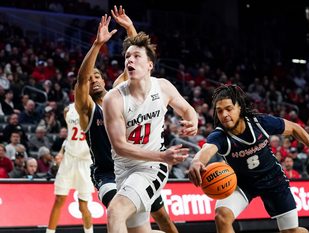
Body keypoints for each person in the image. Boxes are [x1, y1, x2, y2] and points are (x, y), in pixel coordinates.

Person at [75, 6, 181, 233]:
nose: (93, 80)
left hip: (138, 168)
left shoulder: (120, 95)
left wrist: (130, 28)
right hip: (108, 175)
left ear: (105, 81)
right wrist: (97, 45)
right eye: (90, 78)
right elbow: (81, 80)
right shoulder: (88, 109)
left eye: (97, 76)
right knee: (118, 210)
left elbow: (138, 65)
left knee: (164, 220)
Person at [188, 84, 309, 233]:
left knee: (292, 231)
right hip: (242, 182)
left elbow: (296, 128)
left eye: (229, 109)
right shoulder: (219, 136)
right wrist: (196, 161)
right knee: (222, 217)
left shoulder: (260, 122)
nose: (224, 114)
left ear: (239, 108)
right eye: (219, 111)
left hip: (273, 180)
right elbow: (206, 150)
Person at [102, 28, 198, 233]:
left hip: (152, 167)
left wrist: (193, 121)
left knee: (115, 212)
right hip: (124, 171)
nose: (130, 60)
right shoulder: (114, 98)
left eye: (137, 56)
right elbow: (120, 147)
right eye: (127, 56)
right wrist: (163, 154)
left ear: (149, 65)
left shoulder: (162, 87)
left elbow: (187, 109)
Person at [46, 101, 94, 233]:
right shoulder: (68, 109)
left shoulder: (95, 107)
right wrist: (62, 151)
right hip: (69, 159)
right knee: (59, 199)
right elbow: (69, 136)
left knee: (83, 206)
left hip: (85, 161)